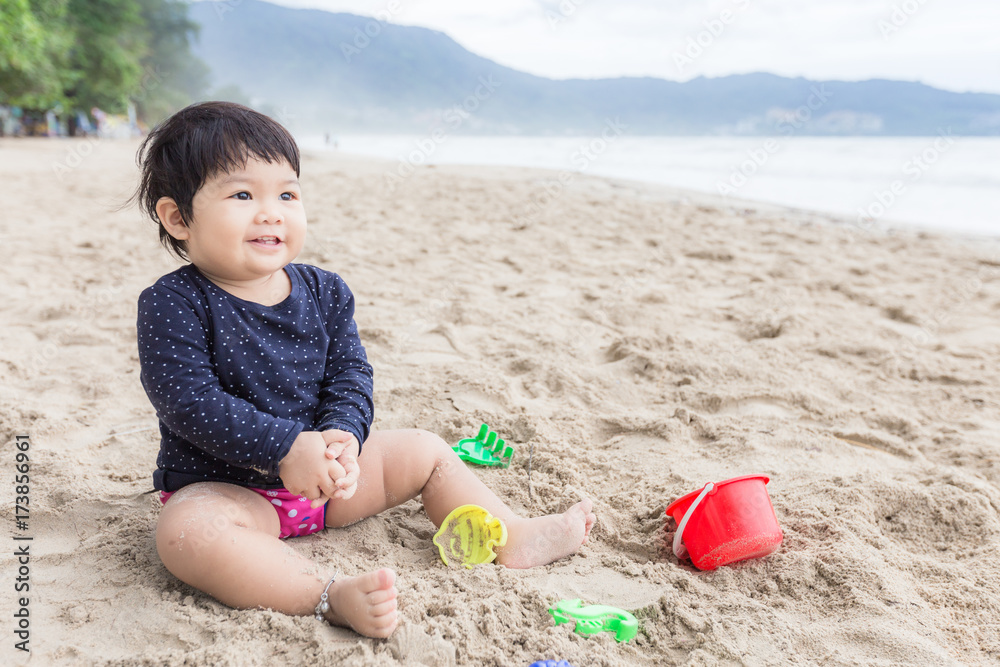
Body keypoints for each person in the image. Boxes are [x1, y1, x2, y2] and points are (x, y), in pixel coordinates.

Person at [131, 101, 595, 639]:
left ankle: (509, 535)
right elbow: (188, 402)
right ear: (178, 218)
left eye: (287, 193)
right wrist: (283, 448)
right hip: (232, 492)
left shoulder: (325, 290)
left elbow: (350, 374)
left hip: (333, 485)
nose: (271, 212)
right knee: (186, 533)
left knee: (425, 450)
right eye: (242, 195)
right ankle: (326, 594)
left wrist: (343, 437)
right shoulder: (173, 302)